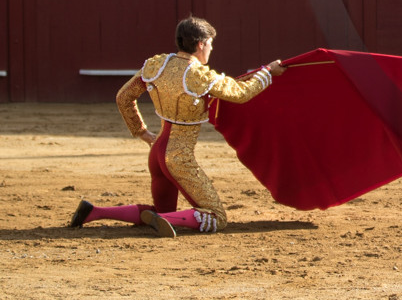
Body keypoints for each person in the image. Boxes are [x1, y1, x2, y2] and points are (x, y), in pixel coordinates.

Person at [70, 17, 285, 237]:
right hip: (178, 157)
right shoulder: (200, 76)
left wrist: (142, 132)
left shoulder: (157, 65)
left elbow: (123, 97)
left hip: (157, 152)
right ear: (200, 44)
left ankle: (94, 212)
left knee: (163, 211)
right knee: (216, 216)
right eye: (211, 43)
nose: (211, 49)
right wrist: (267, 71)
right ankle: (160, 220)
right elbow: (241, 93)